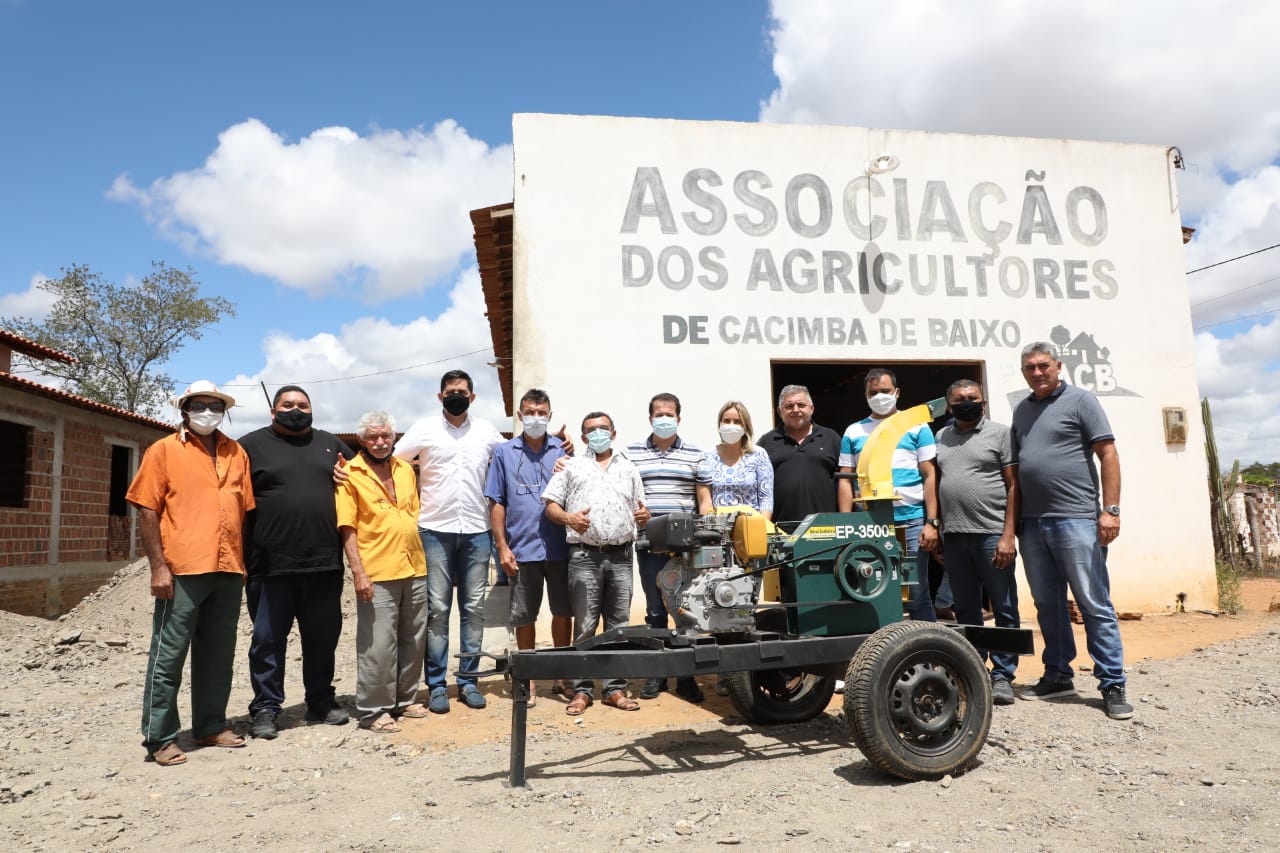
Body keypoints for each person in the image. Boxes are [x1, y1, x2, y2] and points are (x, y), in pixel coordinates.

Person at [127, 380, 253, 766]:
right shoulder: (163, 451)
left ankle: (211, 725)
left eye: (215, 406)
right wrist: (158, 567)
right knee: (168, 655)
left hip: (228, 567)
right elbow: (147, 508)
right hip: (182, 569)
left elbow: (243, 509)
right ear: (184, 410)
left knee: (218, 654)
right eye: (199, 405)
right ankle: (160, 737)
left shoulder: (237, 452)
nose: (207, 412)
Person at [1011, 342, 1132, 720]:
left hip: (1077, 519)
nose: (1037, 372)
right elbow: (1016, 470)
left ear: (1058, 366)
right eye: (1029, 367)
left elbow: (1108, 453)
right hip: (1033, 524)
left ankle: (1112, 683)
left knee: (1093, 602)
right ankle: (1058, 673)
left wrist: (1110, 511)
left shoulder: (1082, 401)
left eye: (1043, 365)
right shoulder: (1022, 410)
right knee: (1047, 604)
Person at [239, 385, 350, 739]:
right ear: (273, 411)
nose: (296, 410)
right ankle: (266, 708)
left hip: (324, 564)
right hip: (269, 565)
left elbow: (365, 474)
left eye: (302, 404)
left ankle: (320, 700)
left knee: (322, 639)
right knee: (268, 641)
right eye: (287, 405)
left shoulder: (330, 444)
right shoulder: (249, 447)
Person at [395, 369, 504, 713]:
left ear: (473, 397)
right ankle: (438, 684)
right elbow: (392, 460)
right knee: (438, 611)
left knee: (473, 610)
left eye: (463, 391)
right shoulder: (424, 429)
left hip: (476, 530)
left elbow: (512, 460)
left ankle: (469, 681)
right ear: (440, 396)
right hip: (433, 531)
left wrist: (555, 449)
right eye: (450, 391)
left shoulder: (487, 430)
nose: (456, 395)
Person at [543, 411, 646, 716]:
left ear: (614, 433)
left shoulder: (629, 468)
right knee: (585, 625)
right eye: (591, 430)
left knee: (619, 627)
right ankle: (582, 690)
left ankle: (615, 689)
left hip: (622, 556)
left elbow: (642, 508)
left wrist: (644, 516)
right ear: (584, 437)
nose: (597, 433)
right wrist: (568, 518)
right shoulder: (570, 466)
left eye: (603, 428)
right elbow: (550, 505)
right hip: (585, 556)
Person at [336, 411, 429, 733]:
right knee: (377, 644)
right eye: (373, 437)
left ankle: (405, 699)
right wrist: (358, 572)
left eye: (386, 436)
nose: (380, 442)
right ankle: (374, 709)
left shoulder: (405, 469)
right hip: (377, 570)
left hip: (414, 566)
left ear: (394, 437)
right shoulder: (350, 473)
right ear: (362, 440)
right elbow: (347, 527)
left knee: (413, 638)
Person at [934, 379, 1020, 705]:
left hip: (992, 535)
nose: (966, 402)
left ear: (983, 402)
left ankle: (1003, 674)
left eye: (972, 398)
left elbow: (1014, 485)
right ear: (949, 405)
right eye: (959, 399)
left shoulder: (1000, 434)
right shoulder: (941, 437)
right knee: (965, 608)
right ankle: (974, 669)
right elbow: (939, 484)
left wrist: (1008, 534)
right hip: (955, 537)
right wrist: (940, 530)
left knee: (1004, 606)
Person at [484, 388, 572, 707]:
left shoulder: (562, 450)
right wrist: (502, 547)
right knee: (524, 615)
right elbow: (497, 502)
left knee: (563, 611)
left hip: (560, 547)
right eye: (530, 412)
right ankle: (529, 679)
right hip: (522, 549)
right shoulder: (505, 453)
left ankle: (563, 676)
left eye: (542, 412)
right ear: (520, 415)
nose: (536, 417)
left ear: (550, 414)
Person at [626, 392, 711, 703]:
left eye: (669, 414)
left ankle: (686, 677)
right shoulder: (631, 453)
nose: (664, 418)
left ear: (678, 417)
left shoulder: (695, 453)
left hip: (685, 546)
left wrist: (705, 535)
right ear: (650, 418)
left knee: (686, 610)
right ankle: (657, 673)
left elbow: (704, 500)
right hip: (649, 543)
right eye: (658, 414)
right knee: (655, 610)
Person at [837, 368, 939, 622]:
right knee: (873, 587)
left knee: (917, 591)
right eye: (873, 392)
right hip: (870, 524)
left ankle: (927, 654)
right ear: (865, 395)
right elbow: (846, 480)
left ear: (897, 392)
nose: (879, 396)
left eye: (885, 391)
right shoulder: (853, 431)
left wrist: (932, 521)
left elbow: (929, 475)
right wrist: (847, 525)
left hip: (913, 521)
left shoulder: (917, 426)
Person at [757, 384, 840, 526]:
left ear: (811, 408)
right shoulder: (766, 443)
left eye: (801, 405)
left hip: (826, 528)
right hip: (781, 529)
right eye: (789, 406)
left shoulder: (831, 438)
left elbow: (845, 482)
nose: (796, 410)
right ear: (779, 411)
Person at [695, 400, 774, 519]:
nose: (731, 425)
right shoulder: (707, 456)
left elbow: (766, 500)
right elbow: (705, 502)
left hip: (751, 526)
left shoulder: (758, 455)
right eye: (726, 421)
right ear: (720, 424)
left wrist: (761, 529)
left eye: (737, 422)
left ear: (745, 426)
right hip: (718, 528)